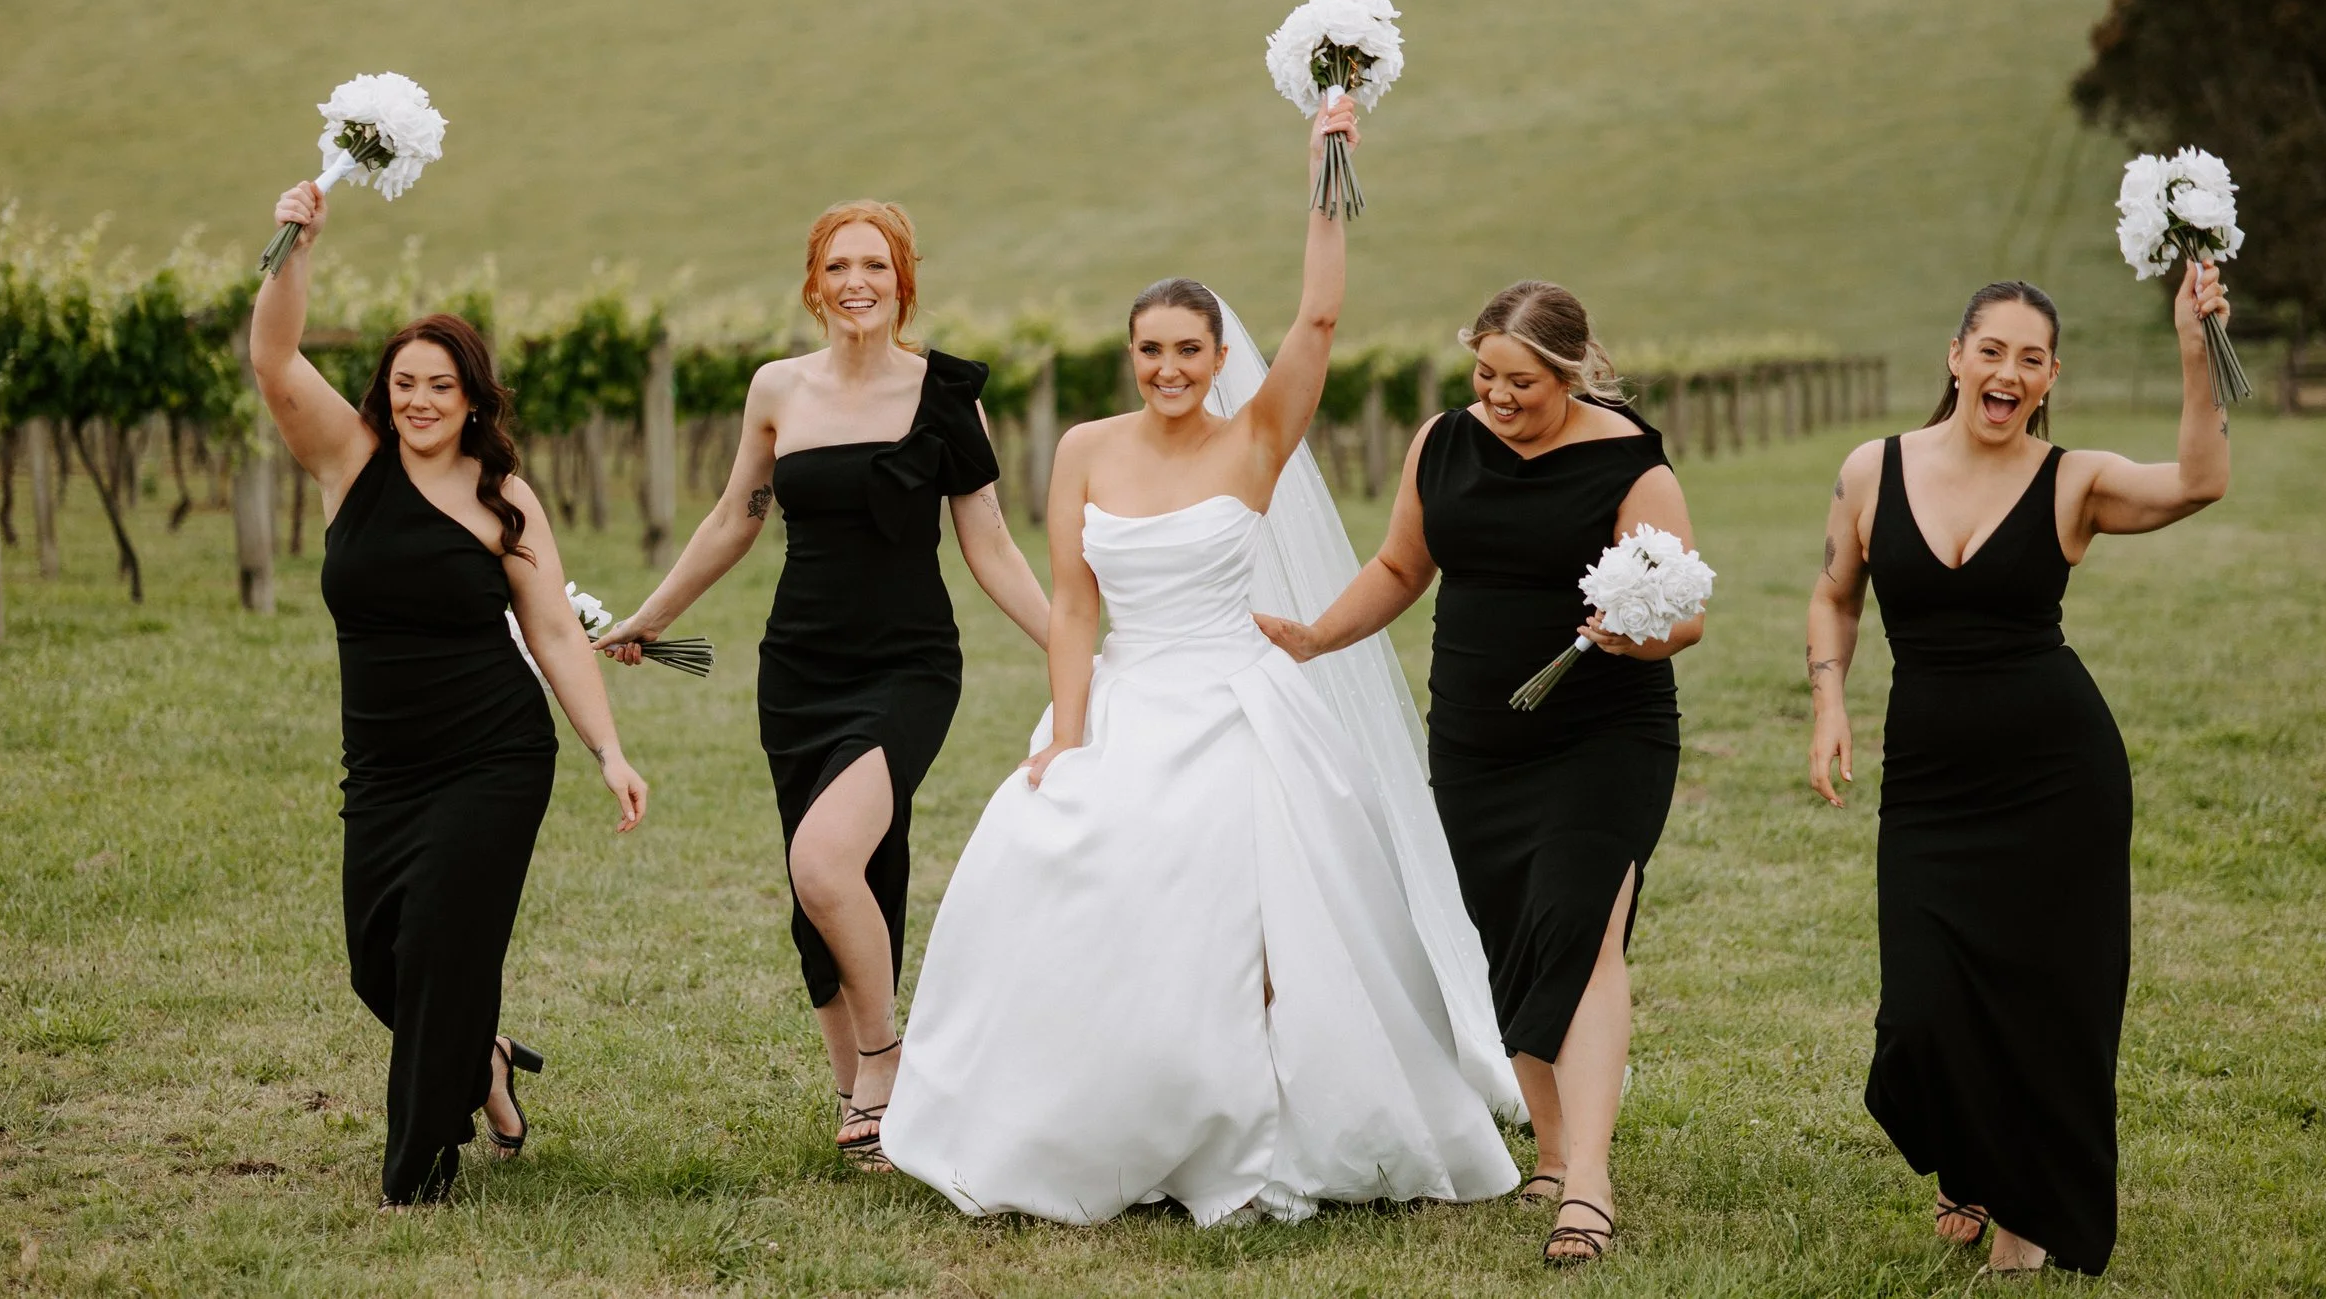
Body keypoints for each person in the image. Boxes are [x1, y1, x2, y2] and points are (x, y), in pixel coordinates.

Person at [882, 96, 1522, 1224]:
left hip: (1241, 706)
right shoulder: (1084, 449)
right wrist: (1068, 734)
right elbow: (1074, 605)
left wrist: (1325, 162)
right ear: (1128, 356)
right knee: (1073, 887)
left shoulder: (1255, 436)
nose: (1168, 368)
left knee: (1260, 924)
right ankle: (1103, 1117)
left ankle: (1266, 1115)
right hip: (1127, 700)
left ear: (1221, 357)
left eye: (1188, 350)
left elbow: (1319, 318)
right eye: (1149, 351)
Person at [597, 201, 1048, 1169]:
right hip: (797, 667)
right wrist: (651, 616)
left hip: (908, 666)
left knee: (823, 860)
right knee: (835, 886)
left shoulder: (946, 397)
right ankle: (854, 1097)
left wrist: (1071, 648)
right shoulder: (778, 389)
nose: (857, 281)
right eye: (839, 264)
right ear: (813, 282)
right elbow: (734, 516)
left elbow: (993, 545)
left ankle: (887, 1061)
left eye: (876, 266)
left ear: (902, 282)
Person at [1256, 280, 1698, 1265]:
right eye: (1484, 373)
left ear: (1571, 373)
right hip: (1471, 741)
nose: (1496, 395)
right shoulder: (1441, 441)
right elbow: (1400, 567)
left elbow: (1685, 611)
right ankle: (1548, 1145)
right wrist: (1314, 635)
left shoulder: (1632, 464)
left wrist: (1634, 634)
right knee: (1510, 940)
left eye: (1522, 381)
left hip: (1603, 739)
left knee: (1579, 931)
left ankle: (1587, 1180)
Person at [1806, 269, 2231, 1276]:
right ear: (1955, 357)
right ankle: (1969, 1150)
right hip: (1928, 779)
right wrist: (1829, 699)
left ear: (2048, 379)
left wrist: (2193, 345)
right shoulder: (1872, 468)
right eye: (1990, 349)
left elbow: (2197, 481)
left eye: (2030, 358)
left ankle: (2023, 1220)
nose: (2008, 370)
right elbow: (1833, 593)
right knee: (1918, 1013)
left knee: (2050, 1000)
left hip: (2056, 778)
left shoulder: (2073, 478)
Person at [250, 179, 649, 1208]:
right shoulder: (349, 459)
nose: (420, 399)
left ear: (472, 396)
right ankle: (487, 1060)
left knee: (437, 942)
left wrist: (608, 750)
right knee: (376, 961)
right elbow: (274, 355)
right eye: (404, 382)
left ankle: (422, 1160)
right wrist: (295, 243)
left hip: (493, 754)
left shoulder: (499, 494)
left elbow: (555, 628)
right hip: (382, 763)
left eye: (440, 384)